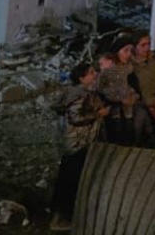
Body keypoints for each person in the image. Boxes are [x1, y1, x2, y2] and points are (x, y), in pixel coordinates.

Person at [50, 62, 107, 230]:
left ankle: (61, 216)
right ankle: (61, 218)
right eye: (90, 73)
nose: (94, 75)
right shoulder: (79, 94)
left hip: (74, 143)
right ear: (82, 78)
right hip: (77, 143)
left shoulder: (80, 93)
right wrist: (98, 114)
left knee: (68, 180)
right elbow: (76, 117)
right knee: (70, 181)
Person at [98, 41, 145, 145]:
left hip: (128, 110)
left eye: (130, 51)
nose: (128, 54)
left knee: (129, 134)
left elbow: (136, 87)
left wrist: (134, 97)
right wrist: (118, 100)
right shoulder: (108, 69)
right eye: (125, 51)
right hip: (113, 111)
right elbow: (100, 89)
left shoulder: (129, 68)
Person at [134, 33, 155, 135]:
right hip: (146, 99)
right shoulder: (133, 65)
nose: (147, 48)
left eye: (148, 44)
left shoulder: (154, 57)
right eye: (143, 45)